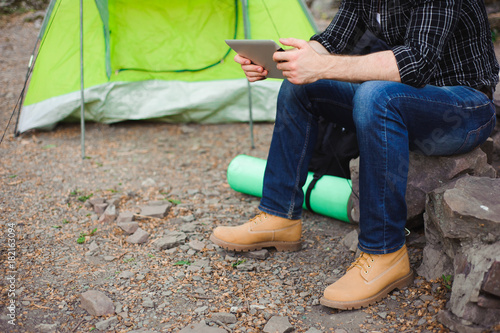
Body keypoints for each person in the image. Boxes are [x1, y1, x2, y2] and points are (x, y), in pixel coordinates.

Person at [210, 0, 499, 310]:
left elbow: (415, 62)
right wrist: (286, 63)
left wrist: (322, 67)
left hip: (464, 106)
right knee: (301, 87)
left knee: (376, 94)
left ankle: (384, 253)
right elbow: (332, 41)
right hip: (405, 99)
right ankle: (279, 215)